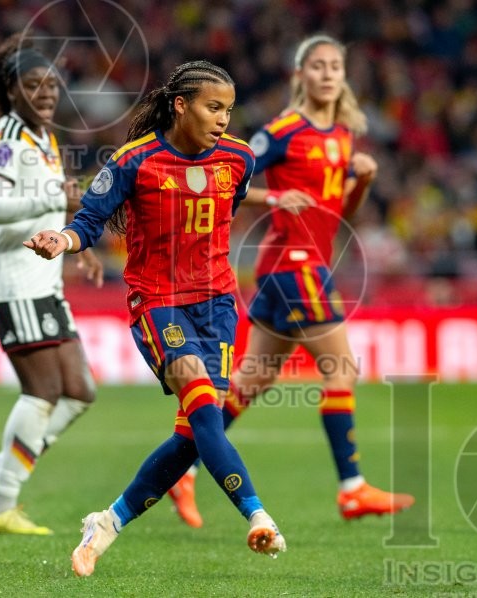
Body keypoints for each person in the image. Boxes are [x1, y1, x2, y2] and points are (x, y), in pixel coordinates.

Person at [25, 59, 286, 577]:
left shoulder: (238, 159)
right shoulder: (134, 161)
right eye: (214, 107)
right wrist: (63, 239)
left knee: (192, 436)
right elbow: (90, 220)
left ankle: (106, 523)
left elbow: (224, 214)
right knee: (206, 411)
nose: (223, 120)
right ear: (181, 105)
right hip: (158, 302)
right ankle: (258, 516)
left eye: (229, 110)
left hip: (217, 306)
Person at [167, 34, 414, 527]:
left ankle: (183, 470)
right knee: (341, 367)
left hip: (300, 264)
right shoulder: (283, 131)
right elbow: (227, 175)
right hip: (293, 263)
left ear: (343, 77)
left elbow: (338, 213)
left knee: (252, 381)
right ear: (300, 75)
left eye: (335, 67)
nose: (327, 74)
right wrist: (274, 200)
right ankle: (352, 488)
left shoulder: (342, 136)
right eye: (317, 66)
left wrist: (360, 180)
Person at [0, 35, 104, 536]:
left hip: (43, 279)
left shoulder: (43, 137)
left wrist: (74, 245)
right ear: (12, 90)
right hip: (12, 281)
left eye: (51, 84)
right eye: (32, 85)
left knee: (79, 392)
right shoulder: (8, 135)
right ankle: (0, 505)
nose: (45, 93)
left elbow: (48, 202)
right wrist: (48, 193)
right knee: (43, 391)